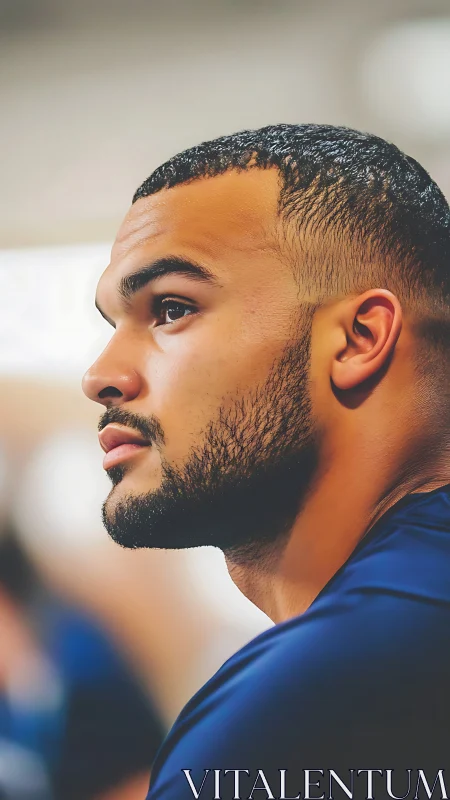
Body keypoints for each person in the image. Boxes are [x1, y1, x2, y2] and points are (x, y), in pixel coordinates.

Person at [82, 124, 450, 799]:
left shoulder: (332, 690)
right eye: (114, 325)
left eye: (170, 308)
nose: (100, 376)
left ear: (360, 338)